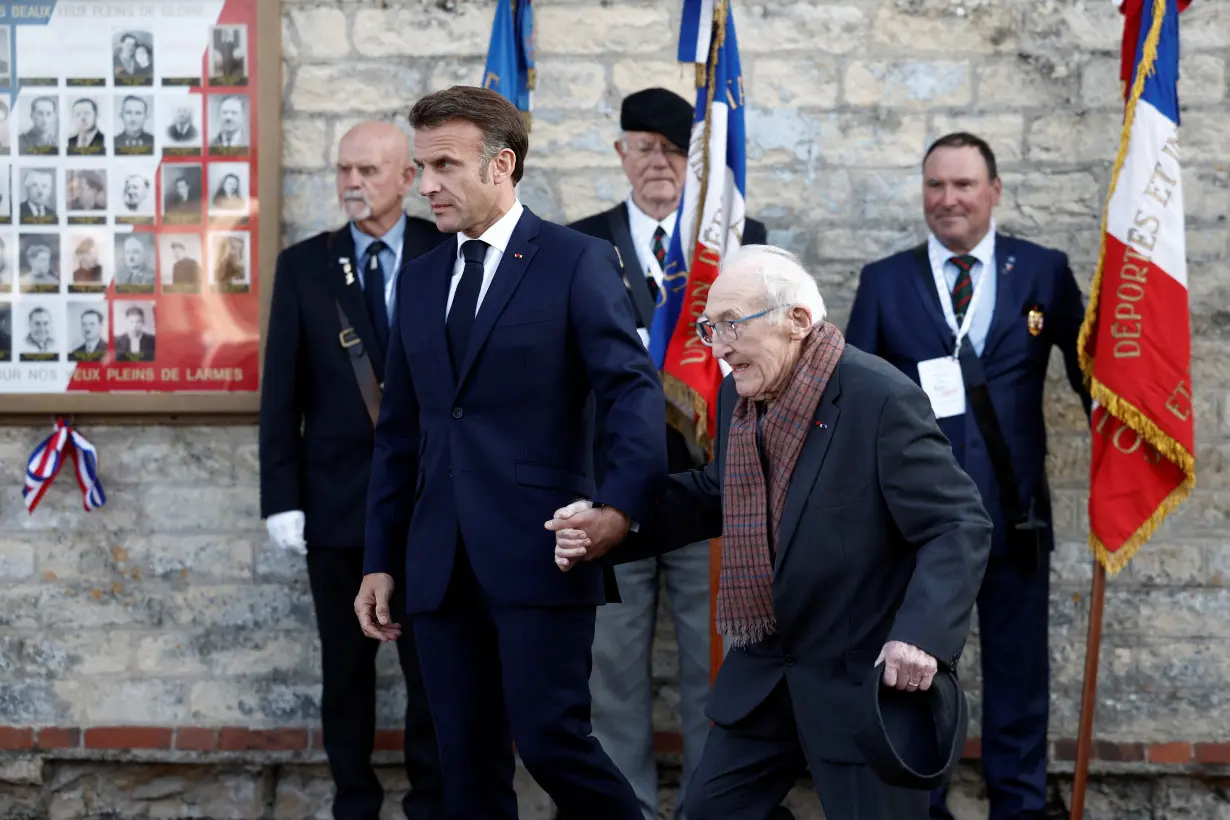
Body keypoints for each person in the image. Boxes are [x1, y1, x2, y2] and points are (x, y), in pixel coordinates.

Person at [548, 244, 992, 819]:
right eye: (711, 328)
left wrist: (922, 636)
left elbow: (957, 522)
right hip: (764, 676)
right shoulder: (740, 393)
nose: (721, 345)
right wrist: (615, 518)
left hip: (859, 681)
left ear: (798, 321)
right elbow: (720, 493)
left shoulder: (878, 397)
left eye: (732, 323)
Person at [354, 85, 666, 820]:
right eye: (421, 165)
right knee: (462, 768)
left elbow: (632, 394)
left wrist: (620, 508)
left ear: (502, 166)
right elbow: (402, 432)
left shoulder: (575, 261)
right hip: (437, 564)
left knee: (553, 743)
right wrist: (379, 557)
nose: (425, 184)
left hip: (541, 552)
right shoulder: (422, 276)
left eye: (444, 166)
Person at [844, 132, 1090, 820]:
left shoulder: (1041, 271)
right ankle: (922, 806)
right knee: (918, 674)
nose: (948, 199)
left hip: (1014, 516)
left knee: (1019, 678)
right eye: (935, 186)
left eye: (963, 185)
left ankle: (1017, 805)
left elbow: (1094, 377)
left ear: (994, 191)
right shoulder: (884, 281)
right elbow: (857, 403)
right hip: (914, 530)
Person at [567, 85, 769, 820]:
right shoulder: (579, 243)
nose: (662, 163)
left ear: (699, 161)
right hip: (612, 494)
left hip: (712, 492)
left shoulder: (739, 241)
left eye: (678, 149)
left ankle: (712, 808)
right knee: (612, 671)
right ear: (621, 152)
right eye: (646, 147)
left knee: (714, 666)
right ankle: (629, 811)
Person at [259, 120, 449, 820]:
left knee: (433, 670)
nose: (352, 184)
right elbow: (282, 392)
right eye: (343, 170)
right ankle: (354, 804)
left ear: (408, 178)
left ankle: (432, 802)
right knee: (346, 670)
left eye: (368, 171)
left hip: (432, 502)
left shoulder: (449, 250)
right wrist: (281, 497)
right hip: (337, 504)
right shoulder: (308, 265)